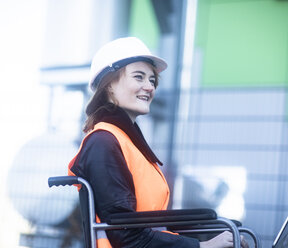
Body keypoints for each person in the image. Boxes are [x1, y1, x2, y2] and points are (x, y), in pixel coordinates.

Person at [68, 37, 249, 248]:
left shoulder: (126, 141)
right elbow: (126, 236)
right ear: (109, 86)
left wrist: (209, 235)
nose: (149, 87)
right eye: (139, 77)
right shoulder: (103, 142)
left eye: (152, 80)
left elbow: (150, 225)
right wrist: (202, 246)